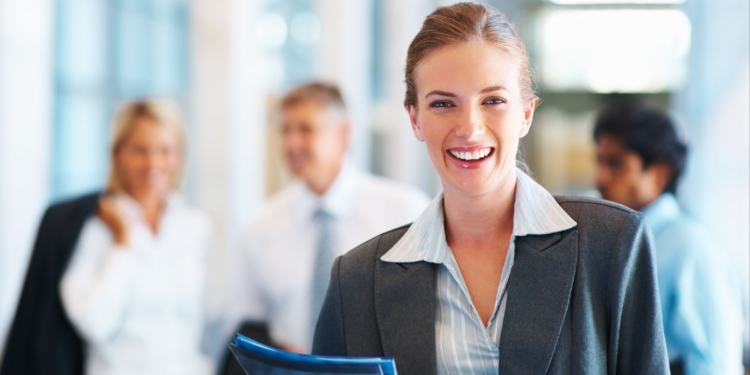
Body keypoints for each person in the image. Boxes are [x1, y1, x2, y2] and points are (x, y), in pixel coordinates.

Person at [312, 3, 668, 375]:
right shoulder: (356, 281)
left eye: (493, 101)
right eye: (443, 103)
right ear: (415, 119)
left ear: (526, 114)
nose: (469, 128)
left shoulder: (611, 245)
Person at [1, 100, 214, 375]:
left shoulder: (196, 227)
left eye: (165, 151)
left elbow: (203, 328)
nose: (153, 163)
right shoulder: (90, 228)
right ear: (118, 155)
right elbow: (95, 323)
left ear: (180, 156)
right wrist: (123, 245)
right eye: (140, 150)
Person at [224, 82, 430, 355]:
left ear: (344, 133)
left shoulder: (405, 212)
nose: (291, 143)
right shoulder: (261, 226)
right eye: (285, 130)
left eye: (305, 129)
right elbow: (247, 322)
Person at [594, 100, 745, 375]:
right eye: (600, 162)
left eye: (616, 164)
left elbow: (715, 362)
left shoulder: (689, 249)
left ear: (660, 174)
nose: (600, 178)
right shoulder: (618, 242)